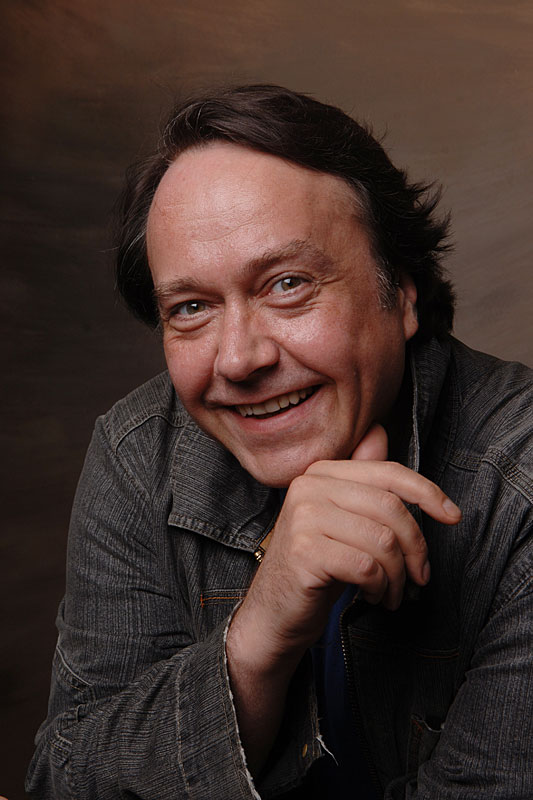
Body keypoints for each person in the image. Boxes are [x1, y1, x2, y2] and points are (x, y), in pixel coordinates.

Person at [27, 85, 532, 799]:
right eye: (191, 307)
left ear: (402, 291)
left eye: (287, 284)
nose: (238, 359)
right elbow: (67, 779)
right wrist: (257, 638)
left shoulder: (521, 482)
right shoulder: (137, 454)